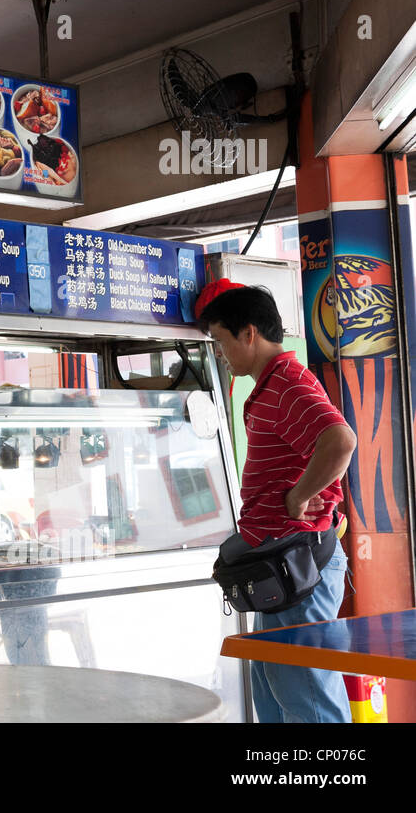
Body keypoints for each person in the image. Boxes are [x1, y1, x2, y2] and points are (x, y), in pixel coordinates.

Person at [196, 280, 356, 723]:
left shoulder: (287, 382)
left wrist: (299, 497)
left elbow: (340, 441)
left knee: (307, 697)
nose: (221, 355)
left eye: (221, 341)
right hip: (279, 565)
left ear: (248, 333)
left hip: (302, 563)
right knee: (277, 693)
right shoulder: (268, 385)